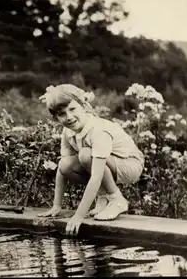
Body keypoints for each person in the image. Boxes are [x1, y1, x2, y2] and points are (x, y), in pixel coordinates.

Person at [37, 84, 144, 236]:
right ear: (56, 118)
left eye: (72, 109)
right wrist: (56, 205)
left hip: (130, 164)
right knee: (65, 165)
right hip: (108, 165)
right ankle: (103, 199)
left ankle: (116, 199)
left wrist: (78, 216)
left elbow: (96, 175)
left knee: (86, 155)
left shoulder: (97, 130)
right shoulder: (68, 131)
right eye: (62, 114)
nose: (69, 117)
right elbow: (63, 168)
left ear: (83, 106)